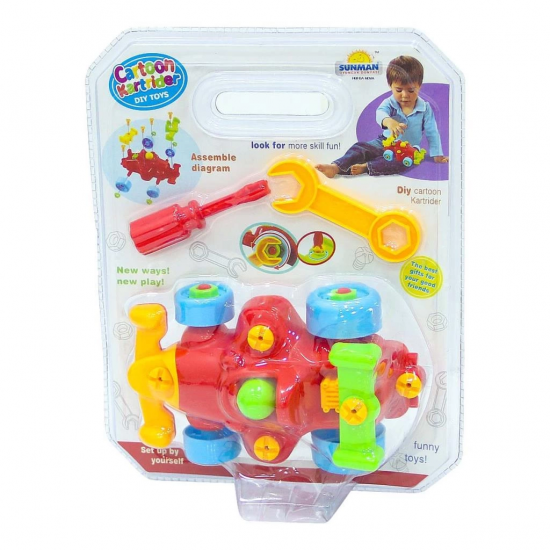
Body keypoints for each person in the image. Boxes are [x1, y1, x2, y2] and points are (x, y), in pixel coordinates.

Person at [316, 55, 448, 178]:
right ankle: (336, 167)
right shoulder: (389, 103)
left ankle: (367, 167)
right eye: (399, 90)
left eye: (411, 90)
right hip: (385, 141)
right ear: (390, 86)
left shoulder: (425, 108)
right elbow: (380, 113)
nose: (405, 95)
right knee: (361, 148)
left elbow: (432, 132)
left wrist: (437, 154)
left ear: (420, 86)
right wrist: (389, 121)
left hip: (410, 149)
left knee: (403, 162)